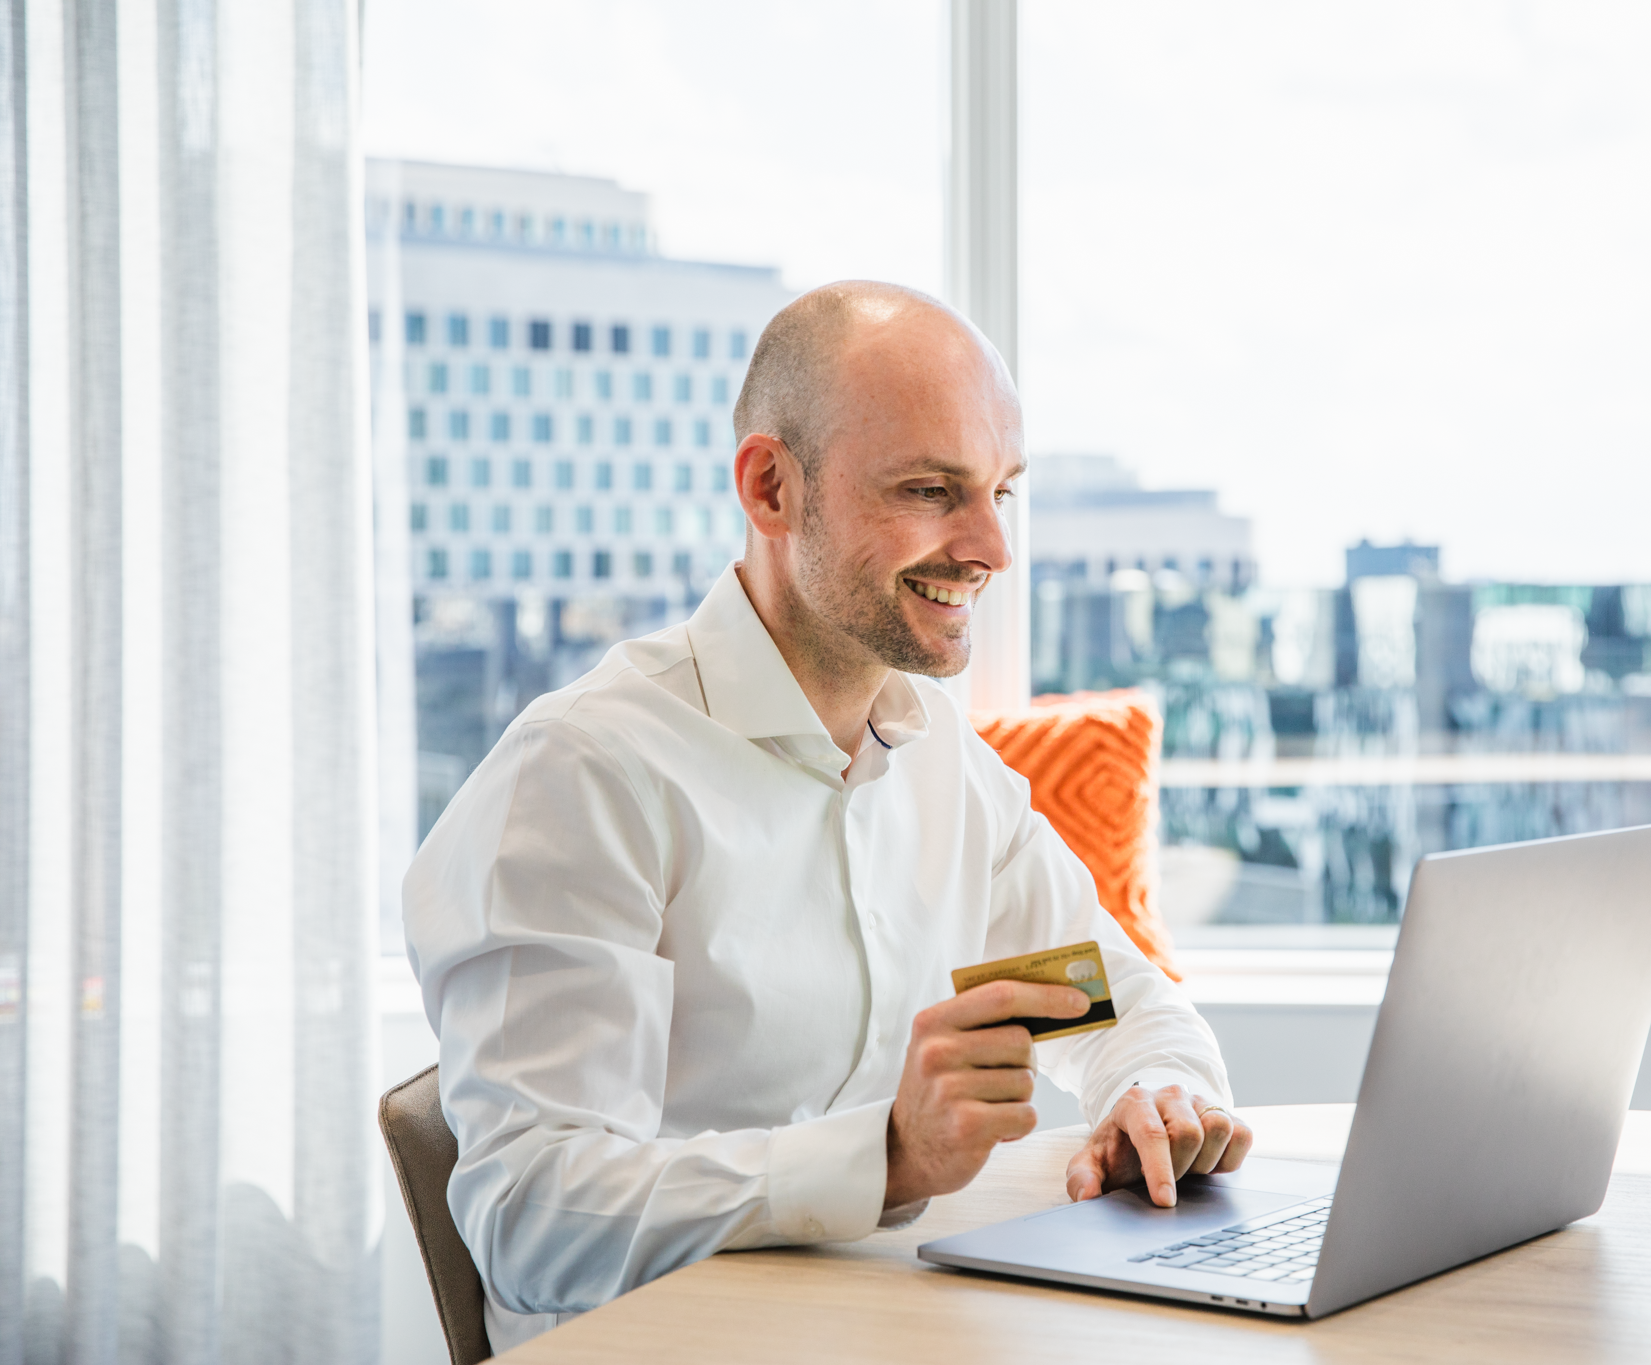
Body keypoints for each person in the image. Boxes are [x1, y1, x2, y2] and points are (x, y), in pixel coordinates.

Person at [404, 281, 1254, 1352]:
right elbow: (531, 1218)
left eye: (1002, 491)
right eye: (931, 489)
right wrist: (888, 1158)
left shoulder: (942, 762)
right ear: (770, 487)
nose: (991, 546)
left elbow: (1107, 1000)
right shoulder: (584, 774)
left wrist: (1155, 1095)